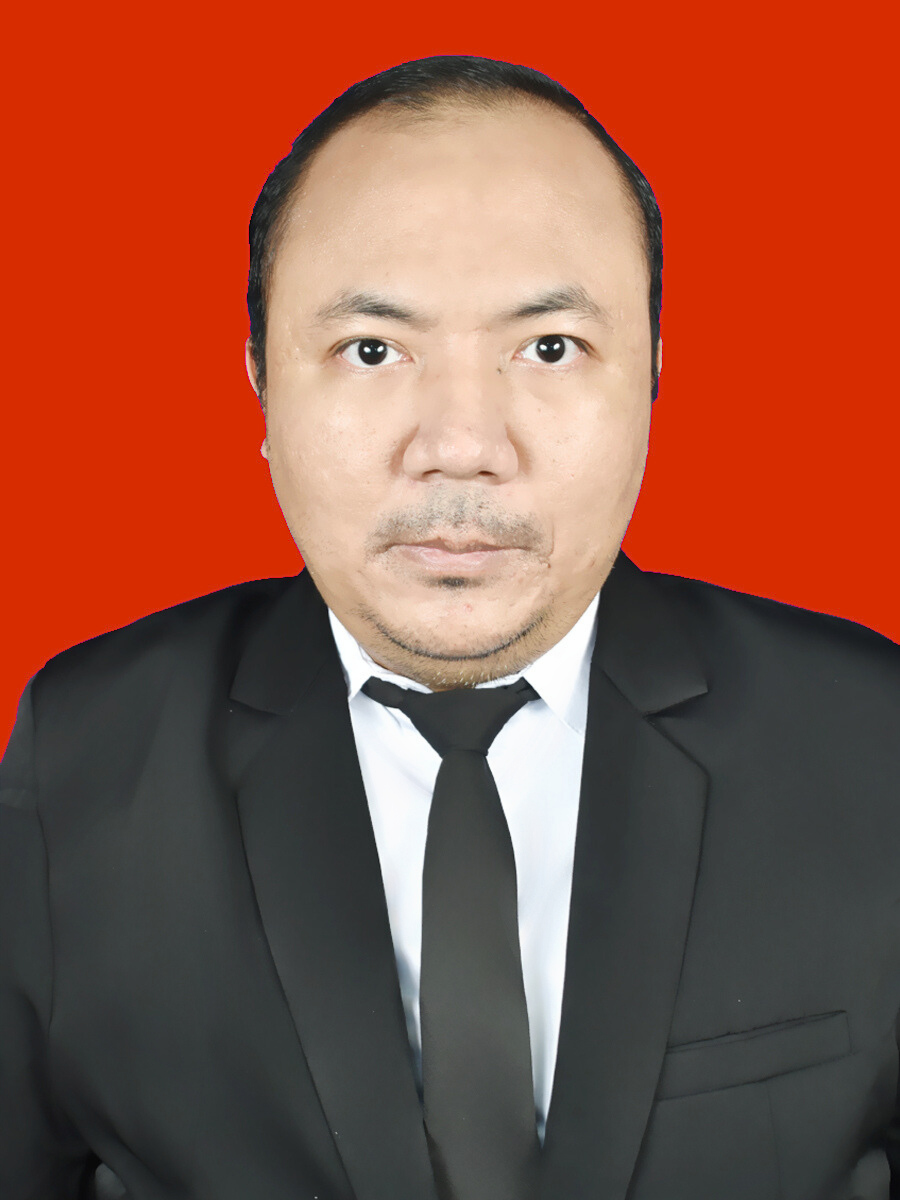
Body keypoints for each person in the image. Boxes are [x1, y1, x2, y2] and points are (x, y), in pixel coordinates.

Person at [1, 52, 898, 1200]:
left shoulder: (869, 739)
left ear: (655, 375)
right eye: (372, 351)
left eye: (550, 347)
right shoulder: (85, 753)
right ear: (261, 382)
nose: (462, 445)